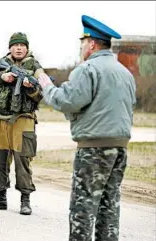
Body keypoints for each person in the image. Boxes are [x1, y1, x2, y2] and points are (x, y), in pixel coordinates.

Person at [37, 15, 136, 241]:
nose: (81, 47)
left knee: (83, 207)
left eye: (83, 43)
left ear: (92, 44)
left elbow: (68, 101)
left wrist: (46, 86)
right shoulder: (125, 73)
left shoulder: (87, 69)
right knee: (109, 206)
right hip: (119, 148)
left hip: (94, 149)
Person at [0, 32, 44, 215]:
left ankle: (25, 200)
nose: (18, 48)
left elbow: (41, 93)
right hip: (0, 119)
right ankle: (0, 197)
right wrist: (3, 77)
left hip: (23, 120)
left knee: (23, 159)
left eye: (22, 45)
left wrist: (30, 87)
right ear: (10, 48)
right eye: (15, 45)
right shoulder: (0, 63)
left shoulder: (35, 66)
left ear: (27, 48)